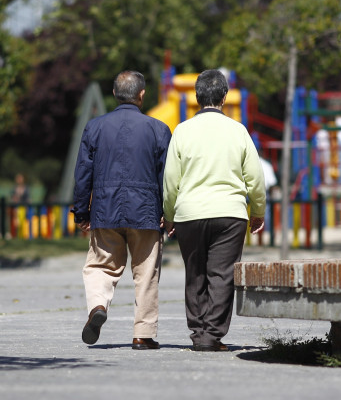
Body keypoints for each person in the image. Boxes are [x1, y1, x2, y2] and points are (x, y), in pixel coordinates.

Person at [162, 69, 266, 352]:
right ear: (224, 96)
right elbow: (255, 178)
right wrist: (257, 211)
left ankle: (198, 332)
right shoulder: (238, 130)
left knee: (194, 273)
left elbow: (171, 180)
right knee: (221, 275)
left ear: (196, 98)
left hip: (189, 213)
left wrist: (169, 215)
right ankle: (212, 336)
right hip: (230, 214)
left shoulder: (182, 131)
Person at [72, 70, 172, 350]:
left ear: (115, 94)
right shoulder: (158, 129)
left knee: (100, 266)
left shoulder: (95, 127)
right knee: (146, 273)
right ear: (142, 95)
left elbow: (83, 173)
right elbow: (168, 176)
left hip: (105, 209)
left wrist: (81, 212)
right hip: (146, 212)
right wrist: (168, 212)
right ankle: (143, 334)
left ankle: (97, 306)